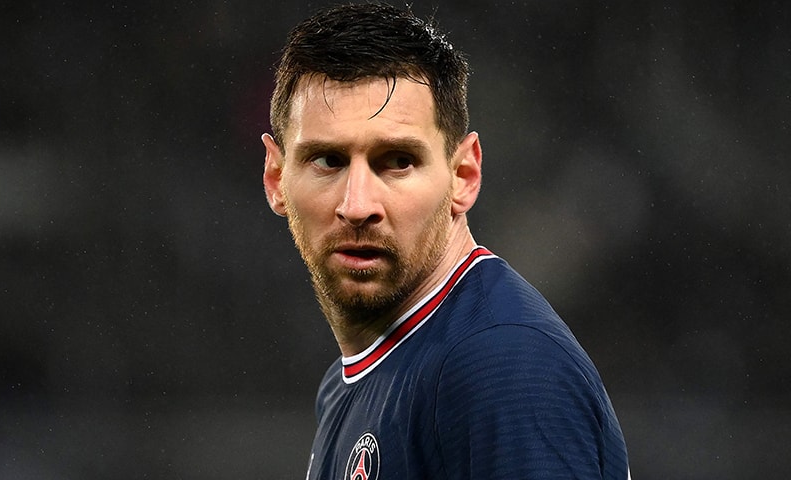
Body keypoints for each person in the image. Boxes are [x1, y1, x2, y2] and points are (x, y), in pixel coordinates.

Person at [261, 3, 629, 479]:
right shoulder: (351, 381)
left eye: (396, 160)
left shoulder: (504, 366)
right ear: (276, 178)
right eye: (328, 160)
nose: (357, 204)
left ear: (463, 175)